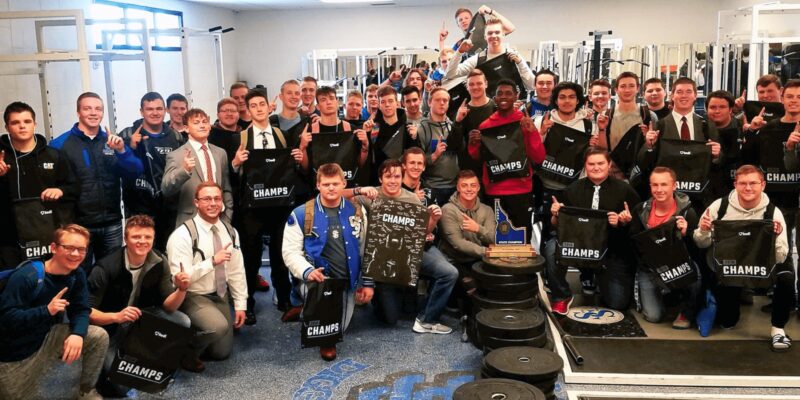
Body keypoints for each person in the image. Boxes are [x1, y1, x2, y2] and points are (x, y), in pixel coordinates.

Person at [0, 224, 109, 400]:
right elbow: (5, 319)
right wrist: (46, 311)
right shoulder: (27, 276)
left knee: (98, 337)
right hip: (15, 354)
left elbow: (81, 309)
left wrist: (78, 334)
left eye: (81, 249)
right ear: (54, 248)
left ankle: (86, 391)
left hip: (46, 336)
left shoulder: (77, 274)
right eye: (69, 247)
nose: (76, 254)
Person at [87, 215, 192, 393]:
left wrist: (181, 290)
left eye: (147, 237)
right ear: (125, 238)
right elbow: (87, 311)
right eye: (136, 237)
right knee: (122, 387)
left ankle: (149, 357)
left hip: (141, 319)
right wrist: (116, 316)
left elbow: (169, 307)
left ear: (153, 239)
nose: (142, 241)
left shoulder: (159, 261)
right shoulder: (105, 268)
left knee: (183, 321)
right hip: (110, 327)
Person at [693, 165, 792, 351]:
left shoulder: (774, 213)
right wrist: (704, 231)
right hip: (730, 265)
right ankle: (727, 297)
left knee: (786, 276)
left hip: (760, 264)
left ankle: (778, 329)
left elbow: (781, 257)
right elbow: (701, 244)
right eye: (743, 183)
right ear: (735, 185)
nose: (748, 188)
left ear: (763, 185)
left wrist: (774, 238)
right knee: (728, 322)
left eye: (753, 183)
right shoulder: (719, 207)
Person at [355, 159, 458, 334]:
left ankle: (427, 319)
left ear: (402, 178)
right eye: (388, 176)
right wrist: (359, 190)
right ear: (380, 179)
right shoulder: (370, 196)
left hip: (409, 255)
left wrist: (433, 219)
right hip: (382, 262)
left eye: (397, 176)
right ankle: (380, 295)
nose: (393, 180)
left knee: (449, 273)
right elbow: (338, 196)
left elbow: (422, 232)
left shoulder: (411, 198)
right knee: (390, 319)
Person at [282, 163, 372, 361]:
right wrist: (307, 271)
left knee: (341, 328)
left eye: (335, 184)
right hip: (317, 281)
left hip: (347, 280)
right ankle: (305, 302)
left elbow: (365, 248)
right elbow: (290, 252)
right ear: (318, 185)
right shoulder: (301, 214)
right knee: (328, 332)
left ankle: (306, 310)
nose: (331, 188)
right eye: (326, 184)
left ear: (344, 184)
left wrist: (367, 282)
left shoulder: (357, 211)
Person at [231, 88, 303, 323]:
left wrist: (298, 160)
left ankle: (283, 298)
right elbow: (232, 174)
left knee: (280, 254)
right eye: (253, 106)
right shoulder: (240, 138)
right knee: (251, 257)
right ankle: (247, 304)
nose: (259, 109)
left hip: (279, 204)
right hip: (252, 207)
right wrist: (236, 163)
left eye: (262, 104)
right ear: (248, 110)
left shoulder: (282, 135)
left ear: (269, 107)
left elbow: (289, 169)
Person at [51, 92, 143, 270]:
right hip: (78, 225)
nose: (93, 113)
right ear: (78, 112)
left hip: (112, 223)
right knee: (78, 273)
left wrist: (122, 151)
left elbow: (135, 171)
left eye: (98, 109)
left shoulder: (112, 142)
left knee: (111, 273)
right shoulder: (60, 145)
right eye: (87, 108)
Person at [547, 148, 641, 314]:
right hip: (578, 245)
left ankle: (598, 278)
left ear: (609, 165)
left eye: (600, 163)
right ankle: (561, 296)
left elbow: (638, 227)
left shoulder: (625, 190)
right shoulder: (572, 189)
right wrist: (556, 214)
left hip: (612, 249)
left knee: (617, 303)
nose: (596, 168)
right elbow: (556, 225)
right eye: (591, 164)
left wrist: (624, 222)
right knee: (551, 248)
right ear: (585, 166)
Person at [166, 182, 247, 369]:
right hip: (192, 295)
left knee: (221, 352)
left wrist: (240, 304)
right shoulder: (182, 235)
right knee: (218, 327)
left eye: (217, 199)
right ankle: (182, 349)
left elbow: (236, 270)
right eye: (207, 199)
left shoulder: (230, 232)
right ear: (196, 202)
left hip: (219, 294)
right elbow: (179, 280)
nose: (213, 203)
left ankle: (201, 329)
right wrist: (212, 262)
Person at [0, 102, 76, 267]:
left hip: (48, 234)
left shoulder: (54, 155)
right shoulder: (1, 157)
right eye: (15, 122)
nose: (22, 126)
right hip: (8, 238)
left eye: (27, 121)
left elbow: (74, 187)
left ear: (35, 124)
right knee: (12, 280)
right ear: (7, 127)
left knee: (49, 278)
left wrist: (60, 190)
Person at [468, 79, 545, 236]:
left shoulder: (524, 122)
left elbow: (538, 157)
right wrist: (473, 143)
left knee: (522, 237)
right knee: (496, 237)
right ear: (495, 98)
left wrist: (531, 132)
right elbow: (478, 157)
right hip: (495, 190)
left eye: (508, 93)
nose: (504, 96)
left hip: (521, 189)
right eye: (500, 93)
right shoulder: (485, 126)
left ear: (516, 96)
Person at [630, 167, 700, 328]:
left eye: (664, 184)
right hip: (650, 268)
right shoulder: (640, 210)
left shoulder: (688, 212)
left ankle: (686, 312)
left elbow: (696, 250)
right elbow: (633, 243)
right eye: (655, 185)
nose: (659, 189)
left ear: (674, 186)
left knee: (696, 274)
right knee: (654, 316)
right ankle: (666, 295)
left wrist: (685, 234)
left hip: (678, 265)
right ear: (650, 186)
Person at [639, 77, 721, 210]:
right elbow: (644, 163)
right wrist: (649, 146)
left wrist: (717, 155)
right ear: (672, 95)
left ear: (695, 96)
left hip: (699, 197)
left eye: (688, 91)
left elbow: (718, 164)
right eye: (679, 92)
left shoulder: (707, 126)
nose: (684, 95)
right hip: (667, 197)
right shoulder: (659, 125)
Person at [119, 92, 184, 250]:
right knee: (141, 252)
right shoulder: (127, 135)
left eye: (159, 109)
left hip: (169, 208)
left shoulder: (176, 137)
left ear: (165, 110)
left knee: (168, 251)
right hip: (137, 208)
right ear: (141, 111)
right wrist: (130, 147)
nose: (155, 113)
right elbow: (117, 169)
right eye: (149, 109)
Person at [162, 108, 234, 228]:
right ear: (186, 128)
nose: (202, 125)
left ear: (209, 126)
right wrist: (184, 170)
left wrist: (227, 216)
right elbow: (166, 188)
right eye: (196, 123)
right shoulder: (176, 155)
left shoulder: (220, 153)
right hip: (190, 221)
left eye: (204, 122)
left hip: (220, 219)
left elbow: (226, 188)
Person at [439, 169, 496, 314]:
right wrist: (487, 252)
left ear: (478, 187)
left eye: (473, 185)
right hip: (454, 259)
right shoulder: (448, 210)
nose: (469, 189)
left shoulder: (487, 210)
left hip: (478, 259)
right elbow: (458, 244)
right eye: (464, 185)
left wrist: (478, 229)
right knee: (468, 288)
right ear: (458, 188)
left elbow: (493, 238)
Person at [445, 18, 535, 95]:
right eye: (490, 33)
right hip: (491, 109)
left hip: (516, 107)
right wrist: (459, 52)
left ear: (503, 34)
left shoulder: (514, 56)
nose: (494, 36)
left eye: (497, 32)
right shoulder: (477, 59)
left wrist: (520, 63)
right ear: (485, 36)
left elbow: (532, 85)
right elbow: (450, 74)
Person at [418, 87, 463, 206]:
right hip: (432, 186)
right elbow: (417, 162)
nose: (442, 103)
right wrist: (435, 155)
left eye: (445, 100)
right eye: (438, 100)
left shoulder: (454, 126)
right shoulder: (422, 128)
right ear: (429, 102)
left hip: (454, 186)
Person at [439, 6, 516, 57]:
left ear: (472, 20)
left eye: (466, 18)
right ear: (458, 24)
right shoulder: (460, 44)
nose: (463, 21)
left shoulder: (486, 34)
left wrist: (491, 11)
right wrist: (441, 41)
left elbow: (511, 28)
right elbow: (445, 59)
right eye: (460, 20)